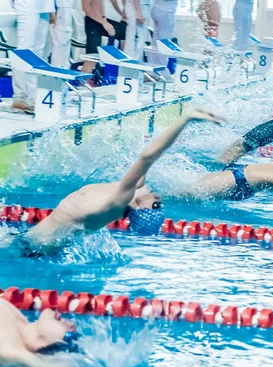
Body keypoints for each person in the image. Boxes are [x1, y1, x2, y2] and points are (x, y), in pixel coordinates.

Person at [9, 108, 223, 256]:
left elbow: (147, 157)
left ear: (138, 208)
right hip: (31, 240)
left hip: (33, 249)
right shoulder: (135, 190)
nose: (158, 198)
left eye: (155, 205)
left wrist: (185, 119)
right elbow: (153, 153)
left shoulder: (117, 202)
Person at [0, 299, 87, 367]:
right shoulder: (19, 322)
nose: (72, 325)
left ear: (42, 345)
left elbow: (12, 354)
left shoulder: (8, 343)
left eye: (69, 335)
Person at [10, 0, 55, 113]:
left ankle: (33, 95)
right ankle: (20, 96)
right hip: (27, 6)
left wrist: (52, 9)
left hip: (44, 6)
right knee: (25, 51)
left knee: (38, 53)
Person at [81, 0, 127, 74]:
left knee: (125, 32)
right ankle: (82, 83)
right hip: (93, 22)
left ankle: (121, 69)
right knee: (92, 58)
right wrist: (104, 23)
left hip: (102, 20)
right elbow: (86, 9)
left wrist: (121, 13)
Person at [147, 0, 178, 66]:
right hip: (166, 11)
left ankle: (153, 67)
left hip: (158, 9)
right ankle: (162, 69)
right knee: (164, 43)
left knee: (156, 43)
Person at [49, 0, 74, 69]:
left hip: (65, 8)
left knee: (63, 46)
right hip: (61, 9)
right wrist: (52, 12)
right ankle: (58, 74)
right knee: (61, 44)